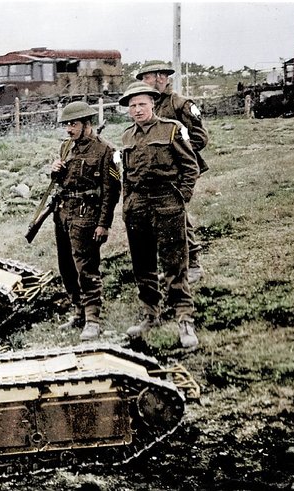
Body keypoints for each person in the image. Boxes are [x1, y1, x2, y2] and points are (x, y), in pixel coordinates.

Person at [118, 82, 200, 348]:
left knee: (175, 265)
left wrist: (181, 198)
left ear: (153, 104)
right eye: (132, 106)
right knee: (142, 265)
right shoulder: (127, 136)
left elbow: (190, 166)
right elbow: (126, 176)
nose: (137, 109)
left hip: (167, 203)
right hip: (138, 207)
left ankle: (184, 319)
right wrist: (127, 204)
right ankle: (149, 315)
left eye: (142, 104)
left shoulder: (172, 129)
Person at [51, 101, 121, 341]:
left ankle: (93, 319)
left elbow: (111, 192)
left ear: (87, 124)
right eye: (67, 125)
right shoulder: (66, 147)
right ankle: (78, 311)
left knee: (86, 268)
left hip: (87, 216)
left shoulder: (105, 151)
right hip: (63, 213)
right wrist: (55, 171)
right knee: (66, 266)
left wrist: (104, 224)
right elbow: (63, 181)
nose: (69, 130)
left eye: (73, 124)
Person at [136, 62, 209, 283]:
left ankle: (193, 265)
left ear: (160, 77)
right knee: (163, 221)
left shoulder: (180, 104)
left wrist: (177, 156)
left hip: (178, 174)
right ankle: (173, 267)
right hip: (159, 176)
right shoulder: (152, 105)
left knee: (180, 218)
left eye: (146, 78)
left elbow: (200, 137)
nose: (143, 83)